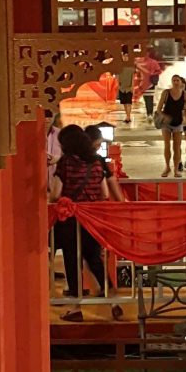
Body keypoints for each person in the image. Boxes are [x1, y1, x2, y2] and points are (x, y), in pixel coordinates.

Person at [49, 122, 115, 311]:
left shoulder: (66, 162)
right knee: (94, 258)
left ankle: (75, 308)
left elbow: (55, 193)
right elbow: (104, 193)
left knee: (72, 259)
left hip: (71, 218)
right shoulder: (96, 161)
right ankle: (112, 300)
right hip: (92, 218)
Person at [157, 74, 186, 177]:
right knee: (167, 145)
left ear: (181, 82)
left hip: (178, 123)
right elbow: (158, 108)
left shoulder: (185, 94)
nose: (175, 82)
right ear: (171, 82)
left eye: (177, 80)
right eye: (174, 80)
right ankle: (167, 167)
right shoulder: (166, 93)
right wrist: (164, 116)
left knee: (177, 147)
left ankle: (176, 169)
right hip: (166, 123)